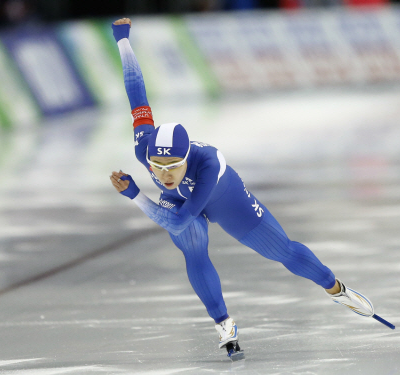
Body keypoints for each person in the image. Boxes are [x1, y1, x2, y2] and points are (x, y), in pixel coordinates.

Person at [109, 18, 376, 360]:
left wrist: (134, 194)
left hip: (223, 197)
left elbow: (175, 221)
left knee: (283, 252)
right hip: (180, 202)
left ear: (187, 157)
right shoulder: (144, 144)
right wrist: (123, 40)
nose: (164, 174)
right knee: (193, 246)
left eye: (173, 166)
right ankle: (224, 325)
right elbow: (136, 91)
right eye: (157, 168)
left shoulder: (208, 165)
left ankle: (334, 287)